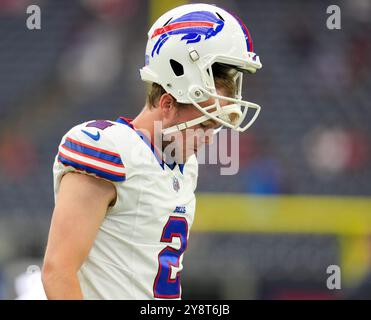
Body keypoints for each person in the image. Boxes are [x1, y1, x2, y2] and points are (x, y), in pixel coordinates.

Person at [41, 3, 262, 299]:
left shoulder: (184, 165)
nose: (209, 139)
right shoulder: (107, 148)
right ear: (168, 104)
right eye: (204, 124)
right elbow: (58, 272)